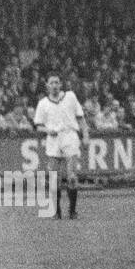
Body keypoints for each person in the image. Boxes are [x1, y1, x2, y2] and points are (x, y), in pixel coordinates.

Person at [33, 73, 89, 220]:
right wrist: (47, 130)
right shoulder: (43, 103)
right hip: (53, 139)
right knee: (54, 177)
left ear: (61, 84)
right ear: (47, 86)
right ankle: (57, 211)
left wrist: (86, 136)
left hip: (69, 135)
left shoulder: (70, 97)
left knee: (71, 176)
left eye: (57, 82)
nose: (55, 85)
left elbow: (81, 118)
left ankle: (72, 210)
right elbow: (38, 126)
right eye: (51, 83)